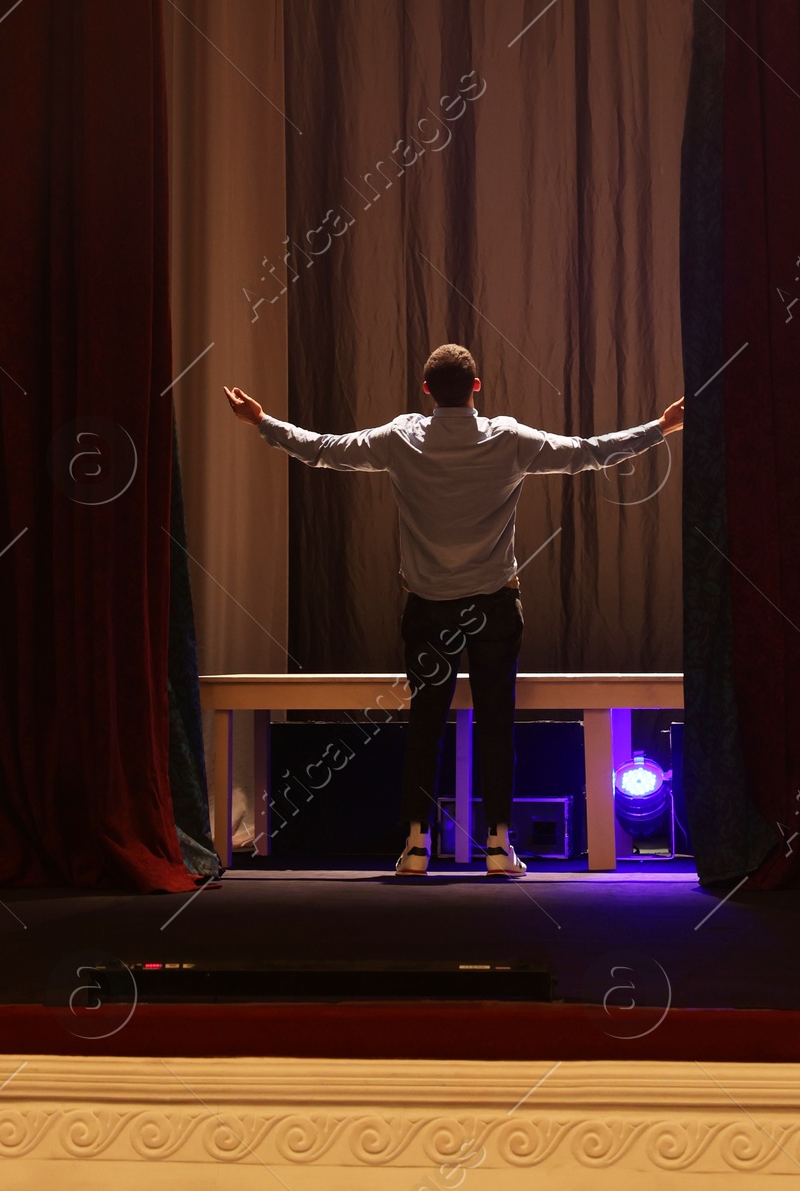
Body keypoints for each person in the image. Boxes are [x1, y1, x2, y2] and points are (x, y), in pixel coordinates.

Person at [223, 343, 683, 881]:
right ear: (477, 387)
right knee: (496, 723)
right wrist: (659, 427)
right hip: (493, 605)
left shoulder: (401, 438)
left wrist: (261, 421)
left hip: (428, 608)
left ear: (426, 391)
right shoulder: (507, 439)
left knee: (425, 724)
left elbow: (322, 449)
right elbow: (588, 452)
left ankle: (415, 846)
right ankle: (499, 846)